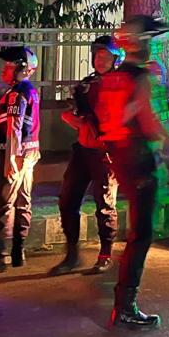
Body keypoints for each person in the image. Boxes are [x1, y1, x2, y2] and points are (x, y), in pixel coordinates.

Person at [97, 15, 169, 331]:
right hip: (140, 159)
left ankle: (123, 298)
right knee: (141, 234)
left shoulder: (112, 78)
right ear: (141, 43)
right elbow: (153, 123)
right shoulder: (141, 78)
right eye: (151, 40)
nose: (153, 45)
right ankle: (125, 305)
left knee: (136, 232)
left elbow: (102, 118)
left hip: (119, 158)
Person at [50, 35, 121, 276]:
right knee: (68, 200)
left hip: (105, 152)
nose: (100, 60)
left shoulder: (119, 86)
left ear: (116, 59)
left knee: (105, 203)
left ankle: (105, 254)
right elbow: (78, 115)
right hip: (83, 150)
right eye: (97, 56)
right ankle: (71, 254)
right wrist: (73, 117)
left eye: (105, 56)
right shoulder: (87, 84)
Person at [0, 46, 42, 273]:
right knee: (23, 202)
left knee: (4, 204)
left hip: (14, 154)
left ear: (22, 69)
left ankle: (0, 256)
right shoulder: (30, 90)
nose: (4, 70)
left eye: (9, 66)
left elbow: (14, 127)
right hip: (28, 154)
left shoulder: (16, 93)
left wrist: (11, 160)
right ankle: (18, 252)